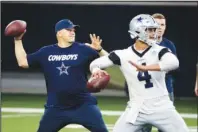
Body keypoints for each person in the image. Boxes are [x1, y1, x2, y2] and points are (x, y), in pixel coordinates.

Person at [89, 14, 188, 132]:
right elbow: (95, 63)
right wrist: (96, 71)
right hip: (136, 109)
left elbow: (173, 63)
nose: (154, 33)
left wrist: (147, 68)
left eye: (154, 30)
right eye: (150, 30)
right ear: (138, 31)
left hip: (162, 107)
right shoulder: (123, 54)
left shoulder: (160, 50)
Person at [14, 19, 109, 132]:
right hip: (56, 108)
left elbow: (108, 61)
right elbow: (23, 62)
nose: (72, 32)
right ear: (59, 33)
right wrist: (17, 40)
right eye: (68, 30)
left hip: (84, 106)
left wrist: (99, 49)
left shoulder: (83, 49)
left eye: (73, 30)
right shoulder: (46, 52)